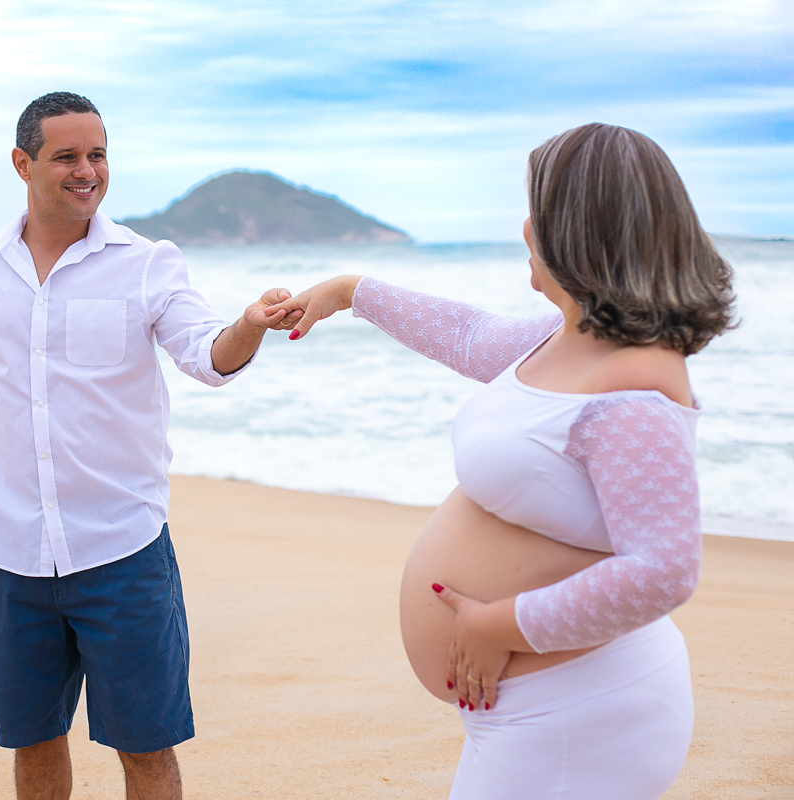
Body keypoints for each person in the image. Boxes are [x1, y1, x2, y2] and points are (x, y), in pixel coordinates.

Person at [265, 123, 735, 799]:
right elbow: (468, 335)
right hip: (540, 714)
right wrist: (347, 292)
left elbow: (665, 571)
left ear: (578, 233)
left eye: (538, 212)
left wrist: (502, 623)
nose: (524, 228)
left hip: (583, 719)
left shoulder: (633, 392)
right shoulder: (567, 338)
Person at [0, 92, 299, 800]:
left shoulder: (148, 263)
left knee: (146, 748)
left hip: (121, 552)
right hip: (9, 552)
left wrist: (249, 323)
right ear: (23, 164)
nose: (86, 171)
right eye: (67, 156)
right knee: (32, 743)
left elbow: (208, 356)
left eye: (98, 155)